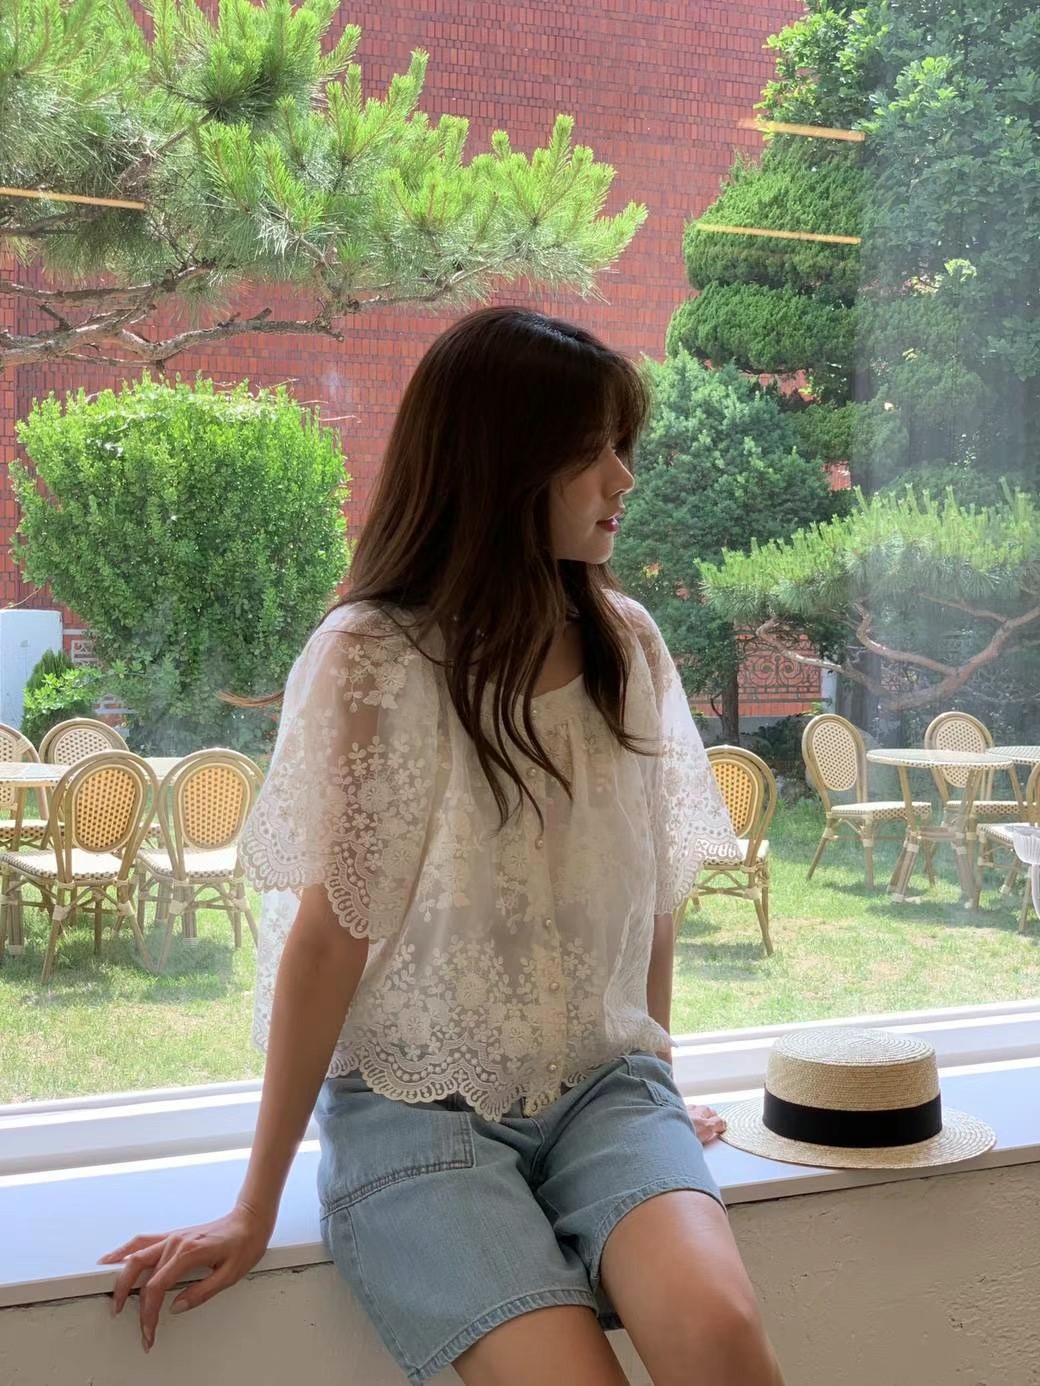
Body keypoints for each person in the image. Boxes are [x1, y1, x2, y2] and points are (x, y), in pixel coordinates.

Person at [99, 307, 785, 1386]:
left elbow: (649, 893)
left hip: (605, 1092)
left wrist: (656, 1071)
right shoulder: (374, 655)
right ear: (497, 463)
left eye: (622, 446)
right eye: (591, 451)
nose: (622, 478)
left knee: (719, 1337)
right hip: (413, 1114)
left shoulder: (627, 641)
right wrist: (253, 1204)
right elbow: (329, 939)